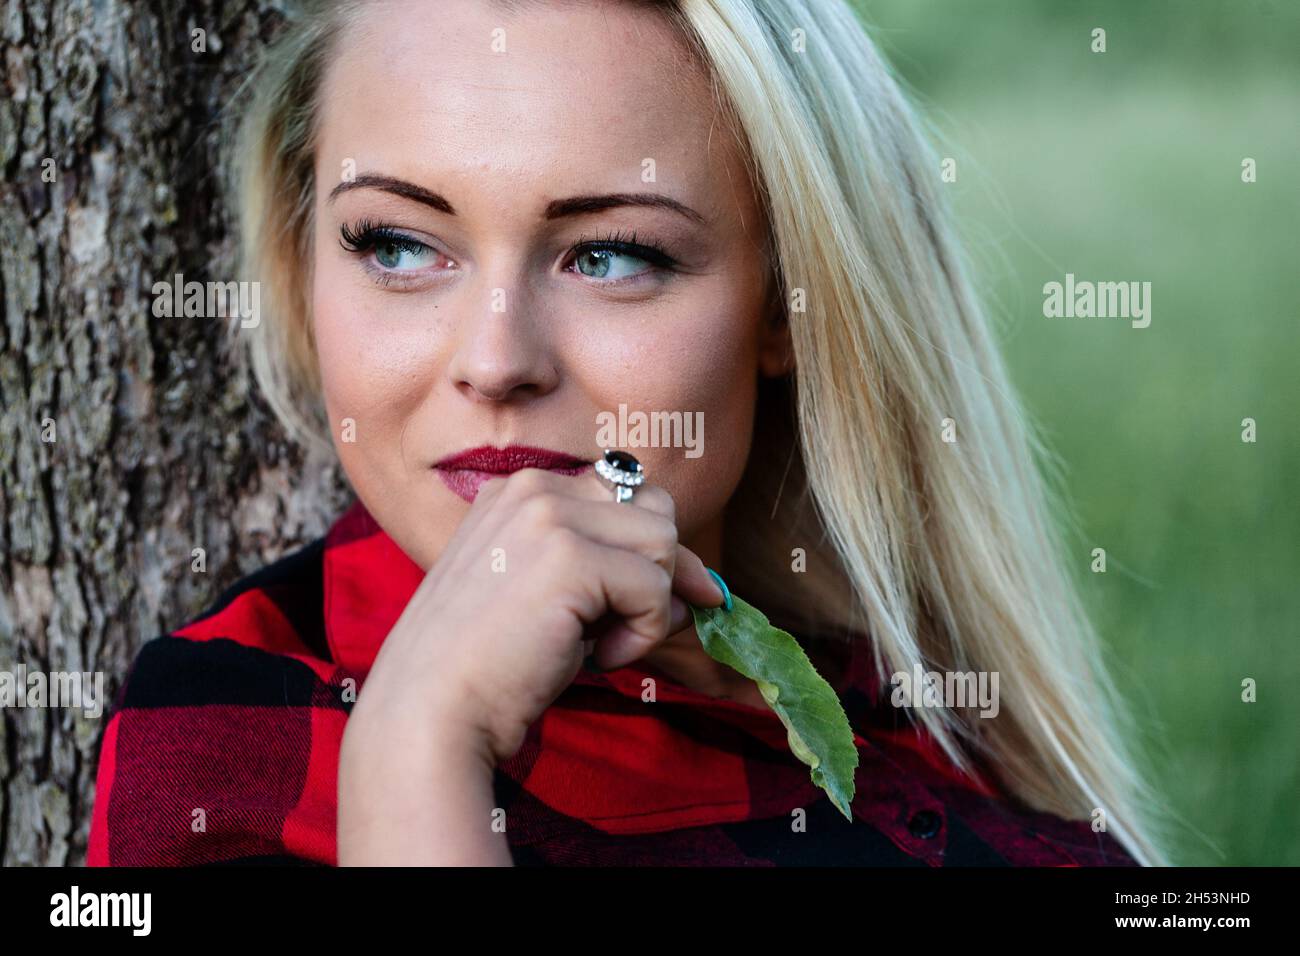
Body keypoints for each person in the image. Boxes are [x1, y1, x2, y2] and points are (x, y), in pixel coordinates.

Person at [88, 0, 1169, 866]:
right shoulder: (227, 744)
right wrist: (416, 757)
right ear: (302, 254)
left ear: (786, 304)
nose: (497, 359)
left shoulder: (919, 717)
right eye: (398, 244)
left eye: (609, 255)